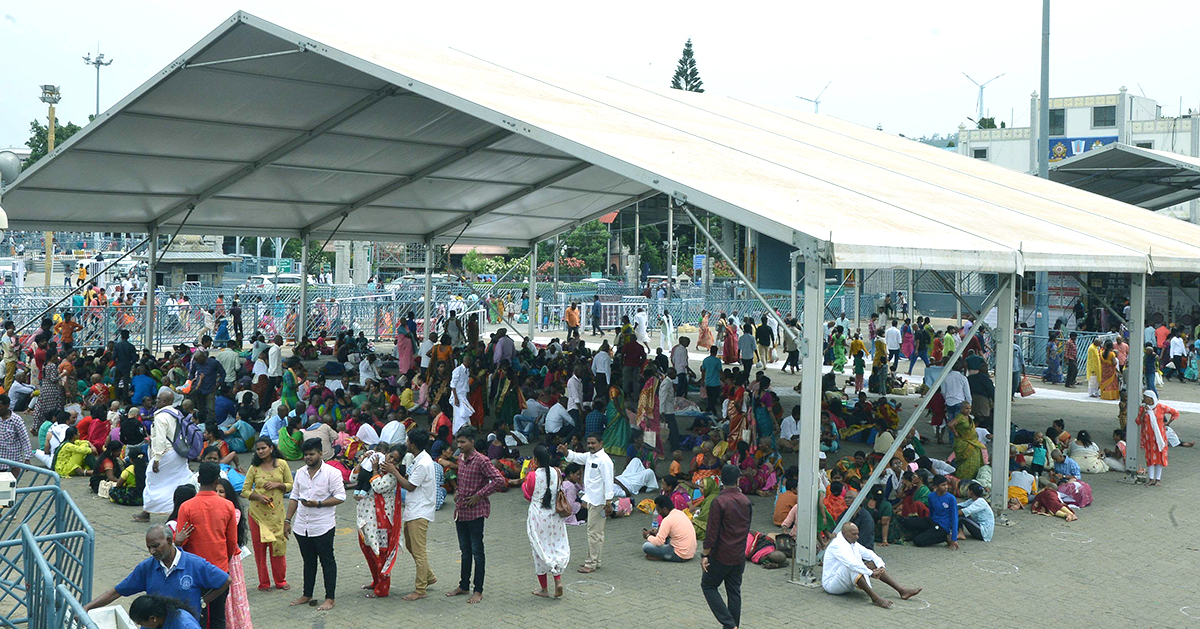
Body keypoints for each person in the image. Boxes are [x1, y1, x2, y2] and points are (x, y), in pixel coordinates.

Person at [84, 524, 230, 622]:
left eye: (156, 546)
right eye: (149, 548)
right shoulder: (147, 567)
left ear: (169, 540)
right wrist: (87, 608)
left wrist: (203, 601)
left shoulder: (195, 564)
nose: (152, 552)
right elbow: (116, 591)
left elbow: (225, 581)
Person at [445, 426, 506, 604]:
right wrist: (457, 491)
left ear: (472, 441)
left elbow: (498, 480)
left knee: (477, 552)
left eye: (463, 442)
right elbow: (462, 482)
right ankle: (464, 585)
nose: (460, 445)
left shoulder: (482, 460)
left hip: (476, 512)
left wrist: (480, 494)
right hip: (461, 511)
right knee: (465, 550)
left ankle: (478, 589)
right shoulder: (461, 459)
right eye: (458, 442)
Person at [284, 438, 346, 611]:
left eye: (311, 454)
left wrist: (318, 503)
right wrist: (287, 520)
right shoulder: (301, 473)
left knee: (327, 561)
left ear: (321, 453)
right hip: (302, 526)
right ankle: (307, 594)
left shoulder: (332, 473)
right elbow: (294, 497)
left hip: (323, 526)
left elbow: (341, 497)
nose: (308, 458)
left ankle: (330, 598)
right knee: (308, 561)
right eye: (305, 455)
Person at [175, 462, 237, 629]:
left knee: (196, 616)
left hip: (193, 570)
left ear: (199, 479)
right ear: (217, 481)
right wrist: (225, 561)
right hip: (219, 568)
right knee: (218, 618)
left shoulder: (186, 507)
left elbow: (180, 541)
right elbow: (231, 542)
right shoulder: (227, 506)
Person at [821, 523, 921, 608]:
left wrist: (881, 566)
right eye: (854, 534)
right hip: (832, 584)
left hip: (845, 581)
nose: (857, 537)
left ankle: (902, 591)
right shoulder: (837, 545)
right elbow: (851, 563)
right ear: (844, 534)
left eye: (857, 534)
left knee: (872, 563)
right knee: (852, 567)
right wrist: (871, 573)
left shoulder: (851, 541)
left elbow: (869, 553)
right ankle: (875, 598)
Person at [349, 444, 404, 598]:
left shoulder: (393, 475)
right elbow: (352, 478)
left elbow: (378, 486)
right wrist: (363, 462)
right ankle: (375, 581)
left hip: (382, 520)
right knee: (368, 550)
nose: (390, 460)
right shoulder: (373, 465)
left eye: (394, 459)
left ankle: (382, 589)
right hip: (365, 517)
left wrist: (373, 470)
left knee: (380, 553)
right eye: (390, 455)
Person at [701, 465, 751, 629]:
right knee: (734, 591)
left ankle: (729, 624)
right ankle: (733, 625)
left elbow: (712, 532)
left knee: (708, 586)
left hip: (721, 555)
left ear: (721, 480)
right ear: (738, 480)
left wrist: (705, 554)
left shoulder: (719, 501)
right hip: (738, 555)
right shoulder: (746, 501)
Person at [241, 438, 292, 591]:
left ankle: (280, 581)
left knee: (278, 548)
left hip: (277, 514)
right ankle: (263, 583)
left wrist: (278, 485)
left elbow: (291, 485)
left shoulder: (282, 464)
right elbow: (245, 490)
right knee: (260, 550)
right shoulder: (254, 468)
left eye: (263, 448)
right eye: (258, 449)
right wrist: (258, 497)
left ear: (271, 448)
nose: (261, 451)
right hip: (257, 515)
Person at [135, 390, 194, 523]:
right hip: (179, 453)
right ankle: (179, 510)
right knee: (179, 480)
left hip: (166, 453)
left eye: (158, 399)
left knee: (151, 479)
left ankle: (147, 512)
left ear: (165, 402)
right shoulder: (176, 413)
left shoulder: (161, 417)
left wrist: (156, 459)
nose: (156, 402)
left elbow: (160, 440)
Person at [560, 433, 614, 574]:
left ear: (601, 443)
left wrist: (608, 502)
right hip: (591, 500)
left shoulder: (604, 460)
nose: (590, 446)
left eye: (593, 443)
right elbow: (577, 457)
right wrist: (566, 452)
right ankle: (596, 560)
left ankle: (591, 563)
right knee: (597, 532)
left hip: (599, 503)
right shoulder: (590, 456)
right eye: (589, 443)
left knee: (593, 533)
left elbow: (609, 482)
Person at [395, 428, 438, 601]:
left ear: (412, 444)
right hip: (414, 508)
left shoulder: (423, 463)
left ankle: (420, 589)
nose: (406, 444)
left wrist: (393, 471)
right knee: (411, 546)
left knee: (419, 551)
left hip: (420, 510)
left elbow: (410, 486)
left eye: (407, 441)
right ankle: (429, 576)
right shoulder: (418, 459)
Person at [524, 444, 570, 598]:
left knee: (539, 550)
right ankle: (558, 581)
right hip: (554, 517)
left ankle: (544, 589)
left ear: (535, 460)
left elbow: (528, 493)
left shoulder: (533, 476)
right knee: (555, 547)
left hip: (538, 517)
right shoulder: (557, 472)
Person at [901, 475, 959, 549]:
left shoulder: (951, 498)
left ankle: (945, 537)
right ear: (936, 486)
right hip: (932, 521)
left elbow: (954, 518)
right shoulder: (931, 496)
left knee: (918, 541)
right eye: (943, 485)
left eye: (946, 484)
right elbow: (931, 512)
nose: (946, 487)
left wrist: (954, 538)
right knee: (907, 521)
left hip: (942, 526)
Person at [642, 494, 696, 562]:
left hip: (679, 554)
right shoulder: (680, 513)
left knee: (646, 546)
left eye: (659, 510)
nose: (658, 513)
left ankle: (662, 556)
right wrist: (657, 533)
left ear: (664, 509)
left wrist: (647, 536)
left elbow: (659, 542)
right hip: (690, 553)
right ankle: (661, 555)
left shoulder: (667, 520)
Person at [1136, 390, 1170, 486]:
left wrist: (1168, 423)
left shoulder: (1160, 407)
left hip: (1159, 438)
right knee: (1150, 457)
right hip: (1148, 438)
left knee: (1159, 457)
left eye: (1145, 397)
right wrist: (1144, 412)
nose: (1144, 399)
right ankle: (1151, 479)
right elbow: (1138, 421)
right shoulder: (1143, 408)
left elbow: (1175, 413)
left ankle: (1158, 479)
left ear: (1151, 398)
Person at [127, 594, 202, 629]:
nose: (142, 627)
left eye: (141, 624)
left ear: (153, 618)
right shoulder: (153, 623)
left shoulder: (185, 625)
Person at [0, 394, 31, 471]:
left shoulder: (16, 420)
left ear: (7, 406)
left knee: (11, 483)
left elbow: (25, 439)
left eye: (0, 406)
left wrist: (27, 458)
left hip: (13, 462)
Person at [450, 355, 475, 435]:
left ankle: (462, 429)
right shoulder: (458, 370)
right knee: (461, 415)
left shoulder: (467, 371)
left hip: (463, 395)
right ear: (466, 361)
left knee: (462, 414)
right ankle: (459, 431)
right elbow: (453, 385)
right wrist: (456, 398)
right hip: (458, 395)